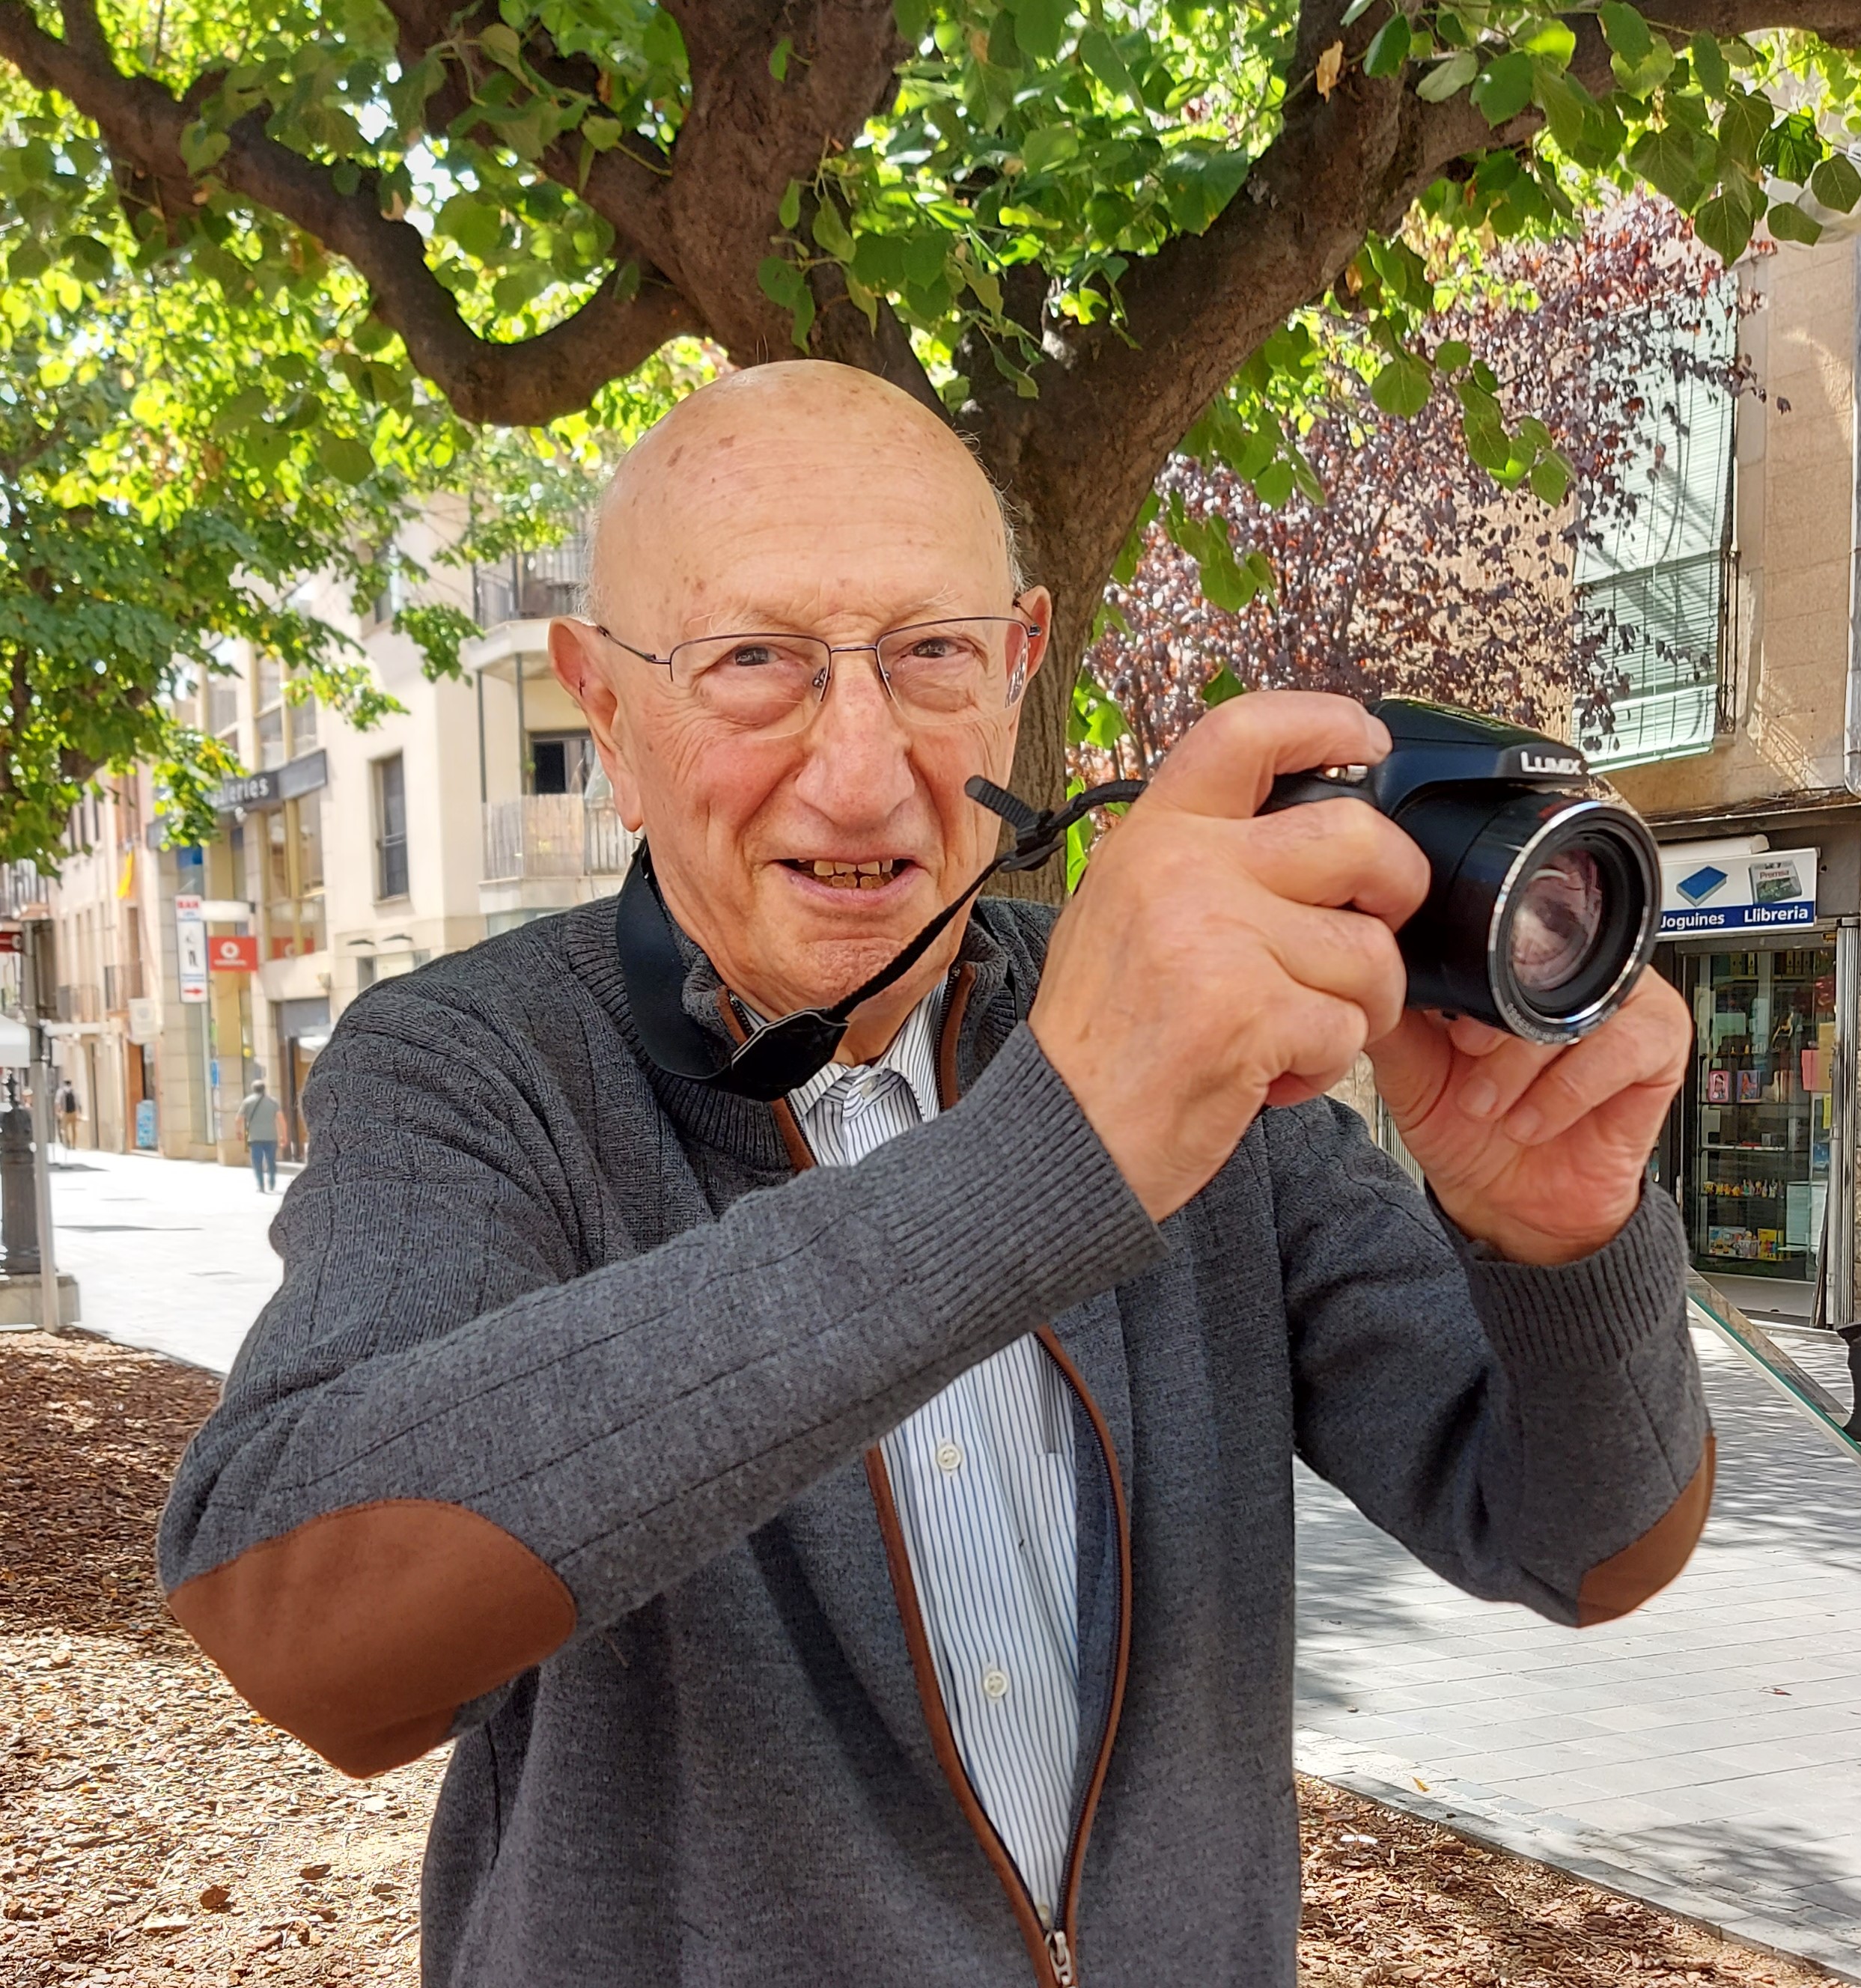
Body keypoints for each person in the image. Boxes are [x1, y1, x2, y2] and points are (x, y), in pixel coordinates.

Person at [159, 363, 1706, 1988]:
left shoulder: (1195, 1050)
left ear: (1021, 665)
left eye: (932, 655)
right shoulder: (471, 1062)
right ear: (606, 712)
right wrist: (1054, 1151)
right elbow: (298, 1622)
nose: (860, 769)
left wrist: (1561, 1243)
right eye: (753, 661)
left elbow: (1585, 1543)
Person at [234, 1079, 284, 1193]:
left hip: (255, 1137)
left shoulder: (247, 1102)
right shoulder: (273, 1102)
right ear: (264, 1089)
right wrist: (283, 1136)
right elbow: (281, 1119)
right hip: (271, 1137)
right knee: (271, 1161)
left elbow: (239, 1119)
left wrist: (238, 1132)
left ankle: (261, 1185)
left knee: (257, 1162)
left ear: (253, 1089)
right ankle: (271, 1183)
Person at [55, 1079, 78, 1150]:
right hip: (73, 1112)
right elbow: (77, 1102)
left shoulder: (61, 1091)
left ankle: (67, 1144)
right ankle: (74, 1145)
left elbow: (58, 1102)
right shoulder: (74, 1091)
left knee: (64, 1130)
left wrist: (58, 1112)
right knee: (74, 1129)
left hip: (65, 1113)